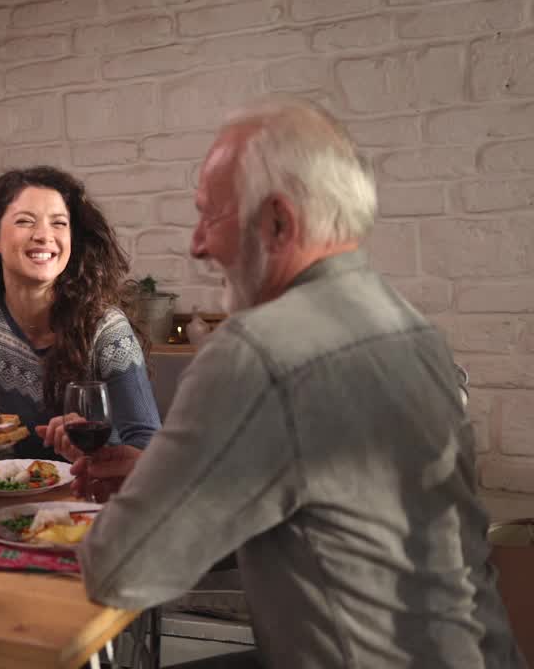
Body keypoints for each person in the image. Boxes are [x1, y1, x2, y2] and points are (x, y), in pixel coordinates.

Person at [41, 97, 525, 668]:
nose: (197, 243)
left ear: (277, 222)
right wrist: (160, 473)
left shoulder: (257, 350)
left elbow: (120, 569)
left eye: (209, 214)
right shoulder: (409, 326)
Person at [0, 166, 160, 461]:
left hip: (95, 493)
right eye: (25, 221)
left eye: (59, 223)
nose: (43, 236)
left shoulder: (106, 327)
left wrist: (94, 451)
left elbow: (149, 446)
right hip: (14, 491)